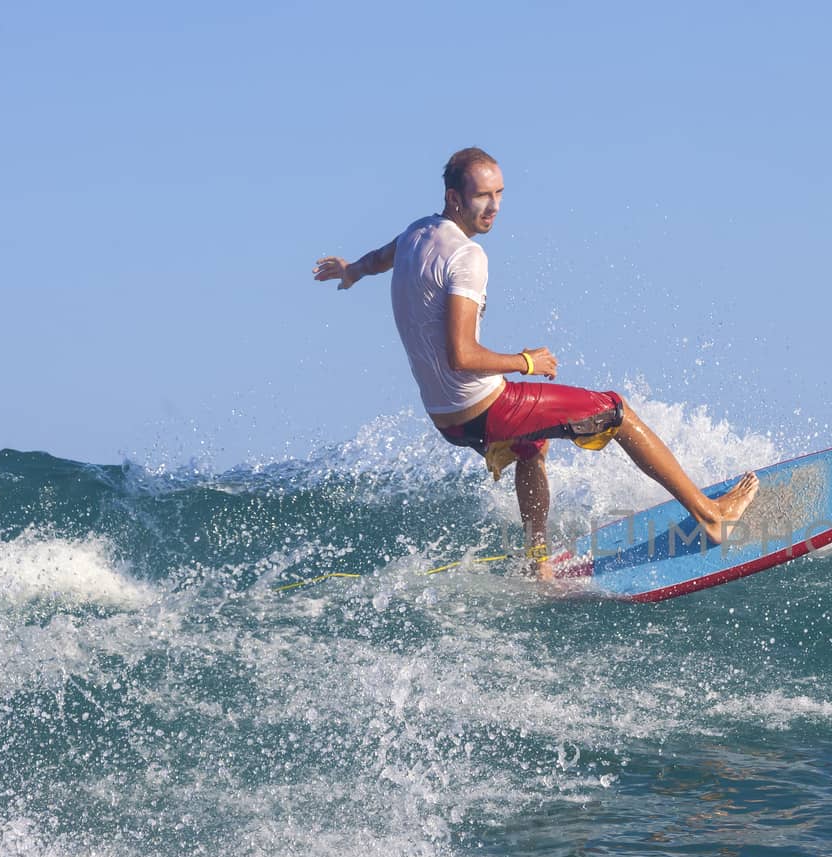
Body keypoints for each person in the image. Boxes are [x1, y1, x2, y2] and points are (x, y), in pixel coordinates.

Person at [313, 147, 757, 578]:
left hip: (447, 419)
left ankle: (538, 564)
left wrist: (351, 270)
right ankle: (711, 516)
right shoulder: (467, 257)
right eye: (483, 196)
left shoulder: (416, 234)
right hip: (484, 408)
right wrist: (526, 361)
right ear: (454, 198)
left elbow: (379, 259)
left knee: (532, 446)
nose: (494, 207)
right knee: (615, 412)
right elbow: (462, 355)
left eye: (500, 194)